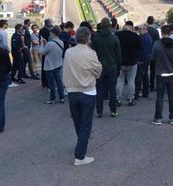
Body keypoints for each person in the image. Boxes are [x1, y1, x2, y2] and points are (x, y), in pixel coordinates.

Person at [63, 27, 102, 166]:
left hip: (72, 91)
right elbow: (98, 71)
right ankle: (80, 155)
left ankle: (81, 144)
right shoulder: (91, 53)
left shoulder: (68, 52)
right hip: (87, 90)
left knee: (78, 122)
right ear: (88, 38)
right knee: (85, 124)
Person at [151, 25, 173, 126]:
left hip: (160, 73)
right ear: (170, 33)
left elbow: (152, 58)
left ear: (162, 33)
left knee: (159, 97)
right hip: (171, 73)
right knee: (172, 96)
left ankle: (158, 118)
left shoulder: (157, 44)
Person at [92, 17, 122, 118]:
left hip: (99, 67)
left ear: (101, 25)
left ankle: (99, 111)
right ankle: (113, 111)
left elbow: (93, 54)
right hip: (112, 67)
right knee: (112, 89)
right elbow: (118, 55)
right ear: (109, 26)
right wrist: (118, 68)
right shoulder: (114, 38)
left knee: (99, 89)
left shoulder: (96, 38)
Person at [115, 21, 142, 106]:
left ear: (124, 26)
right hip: (132, 62)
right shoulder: (135, 36)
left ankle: (118, 99)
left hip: (120, 62)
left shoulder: (117, 35)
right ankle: (131, 99)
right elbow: (140, 48)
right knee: (131, 81)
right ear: (132, 27)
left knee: (119, 81)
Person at [39, 27, 65, 104]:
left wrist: (42, 44)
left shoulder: (50, 44)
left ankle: (52, 99)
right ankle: (62, 97)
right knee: (59, 82)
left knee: (51, 84)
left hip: (50, 66)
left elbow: (42, 52)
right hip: (58, 64)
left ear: (53, 33)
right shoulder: (61, 42)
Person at [136, 23, 153, 98]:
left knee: (140, 77)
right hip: (146, 58)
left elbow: (144, 51)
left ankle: (139, 92)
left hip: (143, 59)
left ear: (145, 29)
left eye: (140, 29)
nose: (139, 31)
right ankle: (145, 92)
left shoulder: (145, 38)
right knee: (145, 76)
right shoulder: (145, 37)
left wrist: (140, 60)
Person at [146, 16, 160, 91]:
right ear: (153, 21)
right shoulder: (155, 31)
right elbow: (158, 42)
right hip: (153, 52)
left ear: (147, 21)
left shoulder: (144, 30)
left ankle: (145, 85)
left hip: (145, 52)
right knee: (152, 70)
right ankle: (152, 85)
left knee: (144, 70)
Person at [39, 18, 53, 88]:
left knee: (43, 66)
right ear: (48, 23)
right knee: (48, 67)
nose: (51, 24)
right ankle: (47, 82)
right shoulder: (48, 30)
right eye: (50, 23)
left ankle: (43, 82)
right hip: (47, 49)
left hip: (43, 48)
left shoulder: (41, 30)